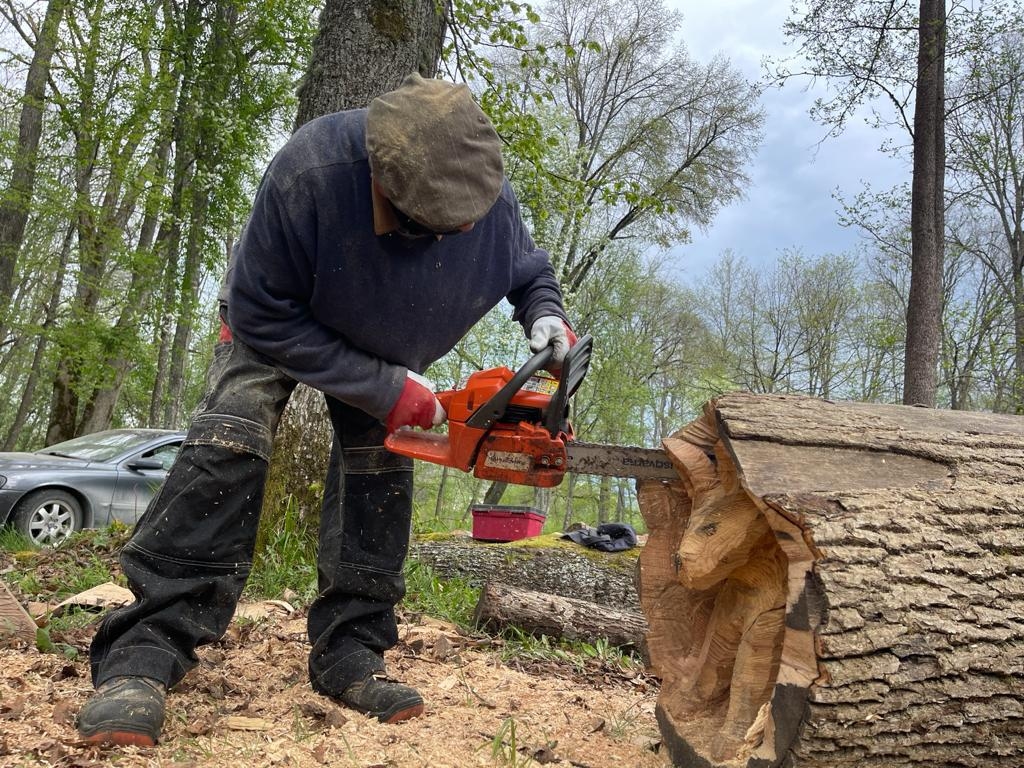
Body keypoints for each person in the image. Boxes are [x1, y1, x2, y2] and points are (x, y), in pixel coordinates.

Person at [76, 72, 575, 747]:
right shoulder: (309, 173)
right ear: (383, 184)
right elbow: (259, 311)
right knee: (231, 438)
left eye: (466, 222)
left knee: (381, 470)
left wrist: (547, 316)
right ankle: (144, 652)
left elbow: (529, 270)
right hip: (280, 321)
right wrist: (385, 388)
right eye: (439, 224)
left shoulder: (481, 192)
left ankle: (351, 650)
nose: (462, 230)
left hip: (385, 338)